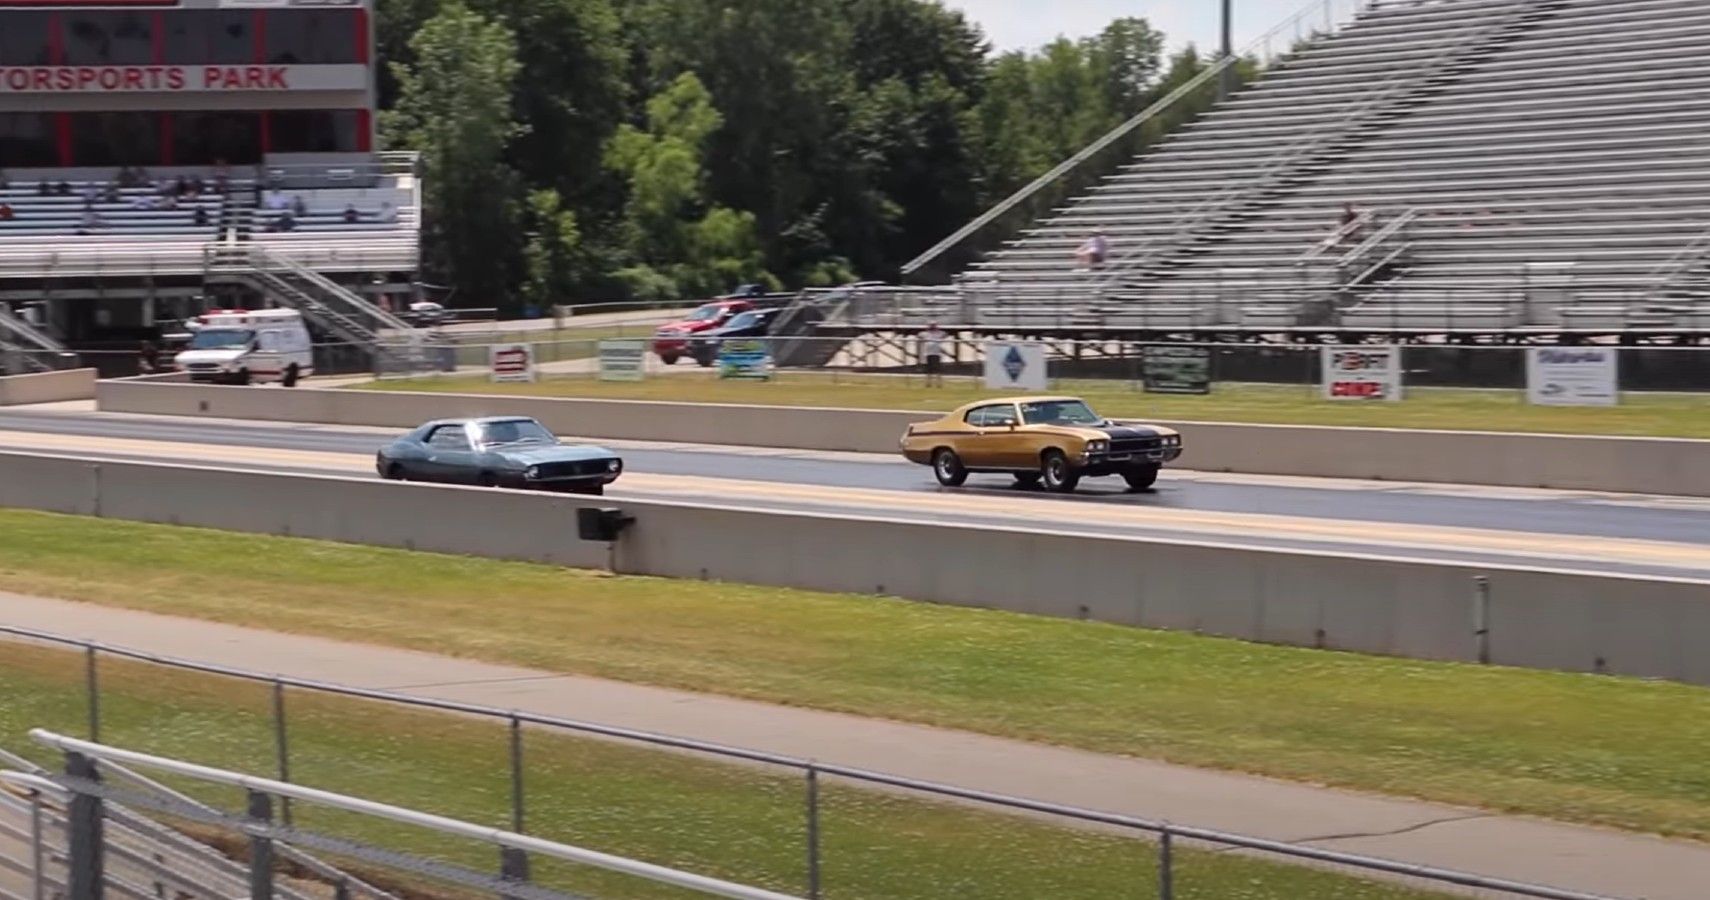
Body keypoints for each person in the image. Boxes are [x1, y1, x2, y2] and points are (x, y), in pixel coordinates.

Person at [919, 321, 948, 388]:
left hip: (937, 353)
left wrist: (939, 334)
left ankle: (939, 384)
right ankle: (928, 383)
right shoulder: (926, 333)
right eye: (931, 325)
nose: (932, 327)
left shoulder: (939, 333)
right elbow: (920, 335)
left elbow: (945, 334)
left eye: (934, 325)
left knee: (938, 369)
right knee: (929, 370)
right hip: (929, 353)